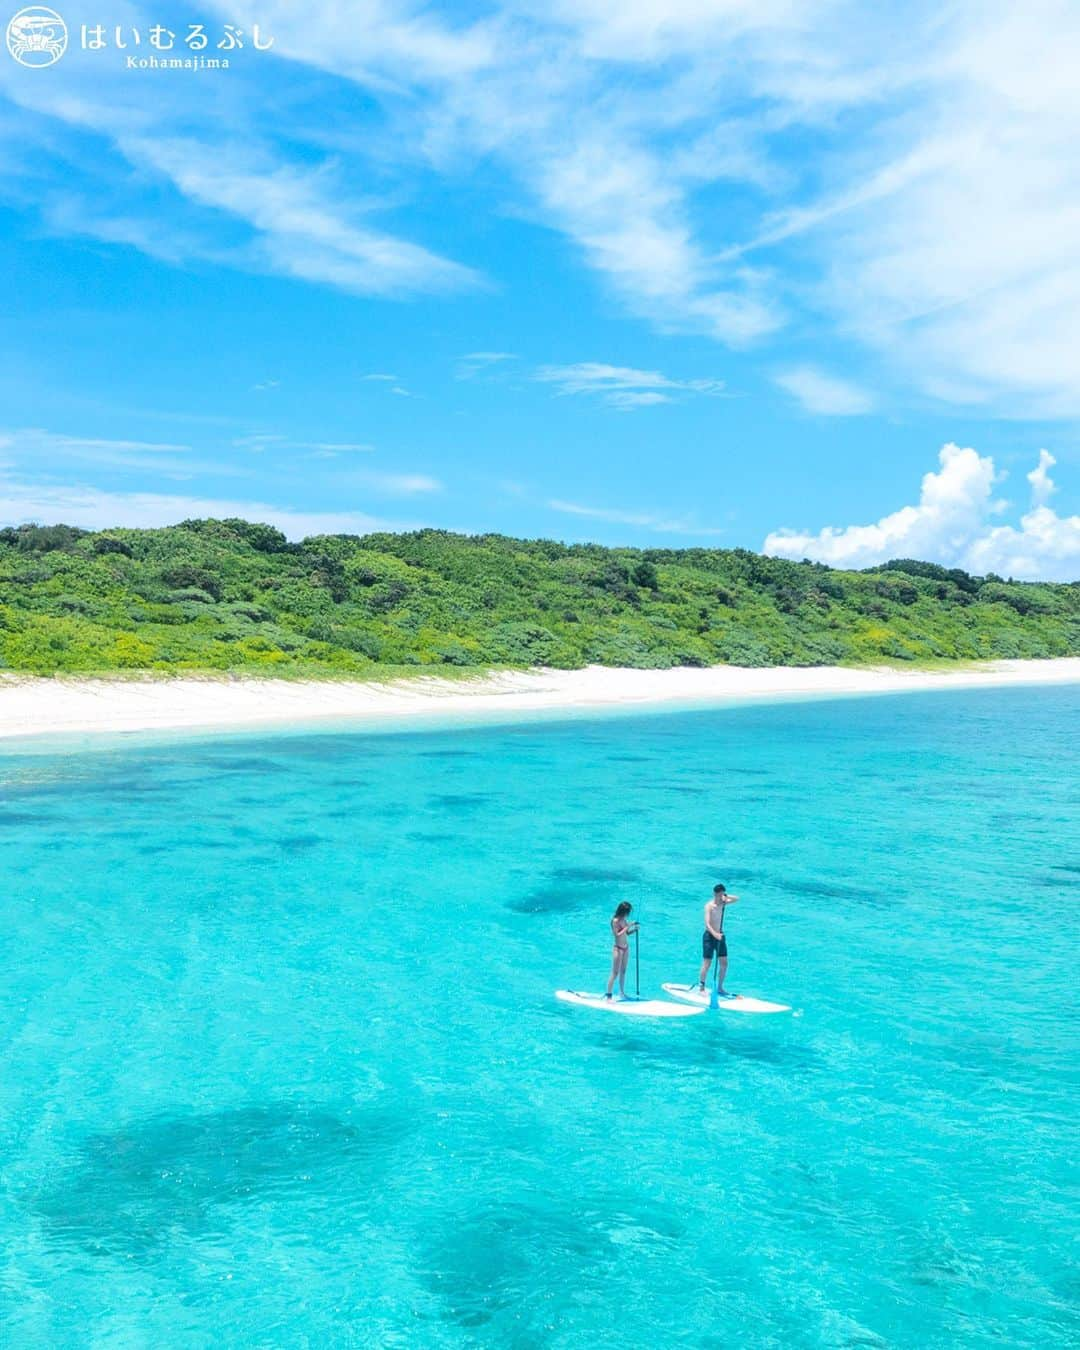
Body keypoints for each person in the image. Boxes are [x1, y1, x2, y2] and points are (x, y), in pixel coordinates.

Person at [698, 883, 738, 994]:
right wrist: (714, 934)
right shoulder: (709, 906)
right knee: (707, 962)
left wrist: (726, 896)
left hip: (720, 936)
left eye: (722, 895)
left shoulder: (723, 903)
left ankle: (720, 988)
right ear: (714, 894)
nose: (720, 897)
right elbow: (707, 924)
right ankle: (701, 987)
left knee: (724, 963)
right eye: (719, 895)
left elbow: (737, 899)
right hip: (709, 936)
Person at [605, 901, 639, 999]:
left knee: (623, 971)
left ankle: (621, 993)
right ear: (622, 911)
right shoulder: (615, 921)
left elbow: (626, 933)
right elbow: (617, 934)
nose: (627, 914)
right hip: (618, 949)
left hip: (625, 948)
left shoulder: (624, 920)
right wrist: (628, 926)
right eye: (627, 912)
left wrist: (634, 929)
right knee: (615, 973)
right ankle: (609, 996)